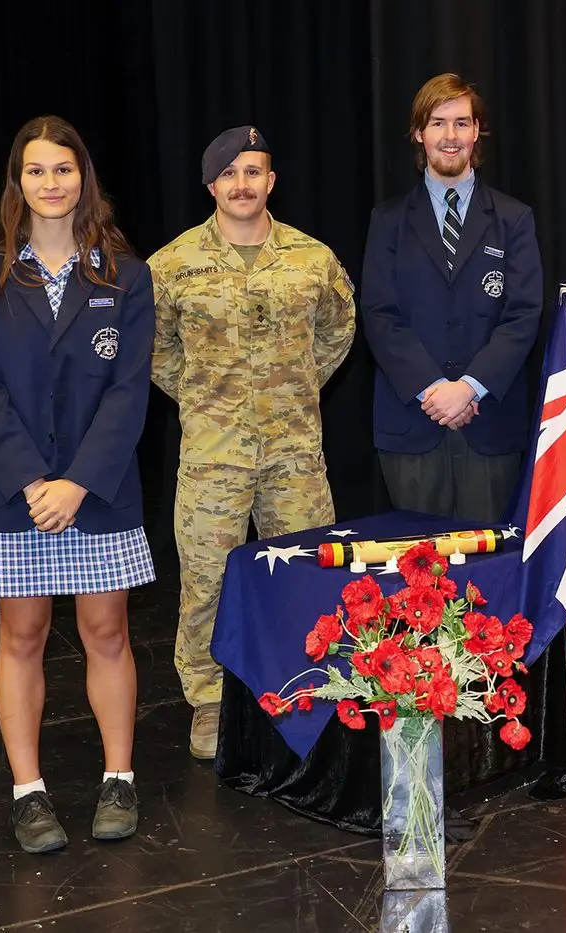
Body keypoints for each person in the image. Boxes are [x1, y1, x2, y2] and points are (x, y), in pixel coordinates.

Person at [0, 115, 153, 853]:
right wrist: (36, 482)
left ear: (83, 179)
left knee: (107, 631)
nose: (50, 183)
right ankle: (29, 792)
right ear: (19, 182)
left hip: (98, 491)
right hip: (15, 493)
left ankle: (119, 777)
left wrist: (76, 483)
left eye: (62, 170)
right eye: (36, 170)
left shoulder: (126, 274)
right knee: (24, 633)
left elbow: (129, 392)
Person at [148, 126, 357, 759]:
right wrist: (210, 401)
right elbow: (157, 350)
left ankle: (312, 689)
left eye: (254, 171)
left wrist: (290, 391)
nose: (242, 184)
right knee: (208, 581)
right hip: (213, 455)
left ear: (271, 181)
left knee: (310, 575)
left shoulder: (312, 260)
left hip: (295, 452)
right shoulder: (172, 265)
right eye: (229, 173)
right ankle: (210, 703)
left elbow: (337, 332)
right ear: (211, 185)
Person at [360, 73, 543, 523]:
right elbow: (380, 315)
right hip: (413, 421)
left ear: (477, 131)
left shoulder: (514, 219)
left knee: (488, 574)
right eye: (438, 123)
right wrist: (435, 390)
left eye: (462, 123)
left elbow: (522, 315)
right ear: (419, 133)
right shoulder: (388, 222)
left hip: (490, 421)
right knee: (417, 572)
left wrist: (468, 388)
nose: (450, 136)